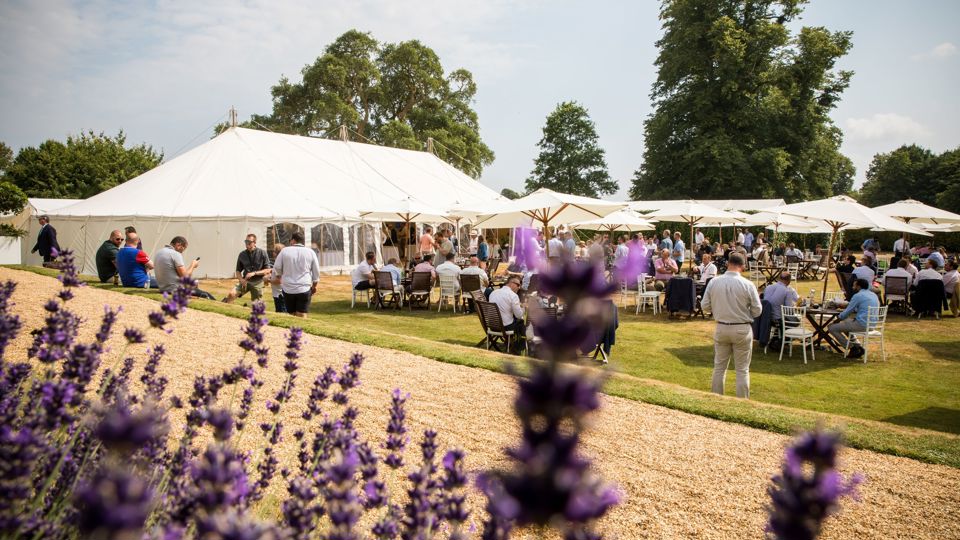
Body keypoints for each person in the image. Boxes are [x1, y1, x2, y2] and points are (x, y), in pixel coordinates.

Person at [701, 253, 762, 399]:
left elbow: (705, 305)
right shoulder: (747, 284)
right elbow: (758, 310)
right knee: (742, 369)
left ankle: (716, 400)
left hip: (722, 327)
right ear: (742, 266)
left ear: (728, 263)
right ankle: (742, 403)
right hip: (741, 327)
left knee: (719, 368)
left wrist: (719, 309)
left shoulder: (714, 282)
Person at [272, 231, 320, 318]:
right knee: (302, 314)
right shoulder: (310, 252)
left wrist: (280, 276)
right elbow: (316, 272)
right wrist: (314, 286)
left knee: (291, 314)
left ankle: (293, 330)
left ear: (293, 240)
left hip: (288, 288)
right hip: (304, 287)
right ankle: (302, 331)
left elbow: (277, 267)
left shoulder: (284, 251)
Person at [828, 278, 880, 349]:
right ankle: (857, 344)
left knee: (831, 327)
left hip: (862, 324)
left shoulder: (858, 295)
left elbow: (847, 312)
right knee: (846, 322)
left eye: (854, 285)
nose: (853, 287)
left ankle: (852, 347)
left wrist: (837, 320)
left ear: (858, 286)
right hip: (872, 324)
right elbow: (860, 307)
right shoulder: (873, 295)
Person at [224, 234, 271, 304]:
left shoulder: (262, 253)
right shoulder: (242, 254)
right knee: (231, 294)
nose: (247, 243)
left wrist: (254, 273)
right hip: (245, 281)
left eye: (249, 242)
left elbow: (268, 270)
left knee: (256, 305)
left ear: (254, 243)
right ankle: (226, 310)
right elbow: (238, 271)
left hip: (258, 282)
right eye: (246, 241)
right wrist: (241, 280)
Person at [488, 275, 525, 340]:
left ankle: (512, 342)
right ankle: (519, 344)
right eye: (518, 285)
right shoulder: (513, 295)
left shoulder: (493, 293)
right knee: (521, 321)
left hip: (492, 326)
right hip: (505, 327)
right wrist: (523, 307)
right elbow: (519, 315)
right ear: (511, 283)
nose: (519, 287)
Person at [269, 244, 286, 314]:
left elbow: (279, 280)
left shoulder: (278, 264)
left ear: (276, 253)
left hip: (279, 294)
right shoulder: (283, 262)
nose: (272, 253)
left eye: (274, 251)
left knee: (281, 313)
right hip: (280, 293)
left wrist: (268, 280)